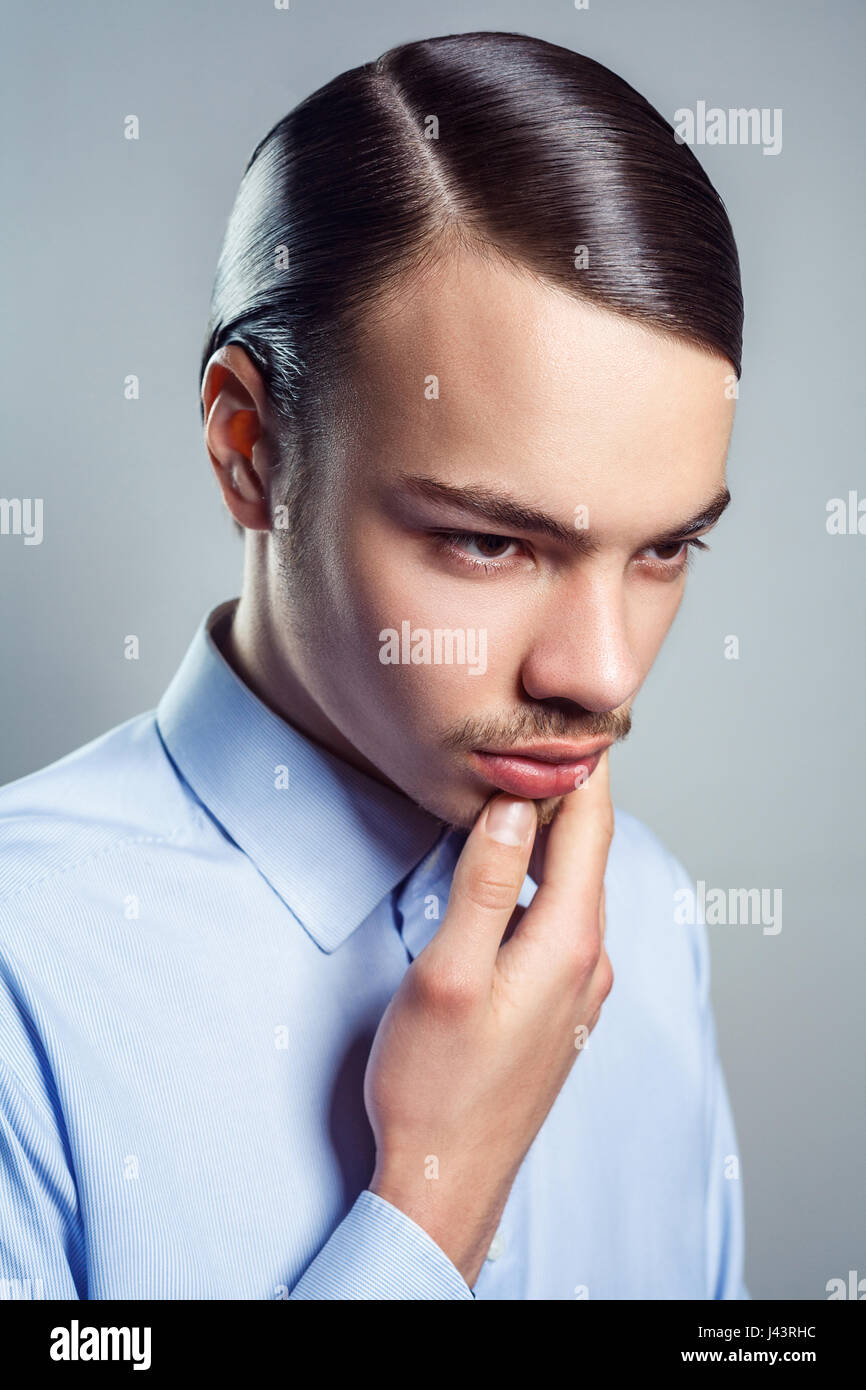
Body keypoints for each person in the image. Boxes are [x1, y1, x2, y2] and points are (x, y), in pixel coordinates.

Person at [0, 30, 748, 1299]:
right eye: (488, 540)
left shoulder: (651, 918)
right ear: (251, 453)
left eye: (665, 547)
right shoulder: (25, 980)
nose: (602, 673)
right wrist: (429, 1203)